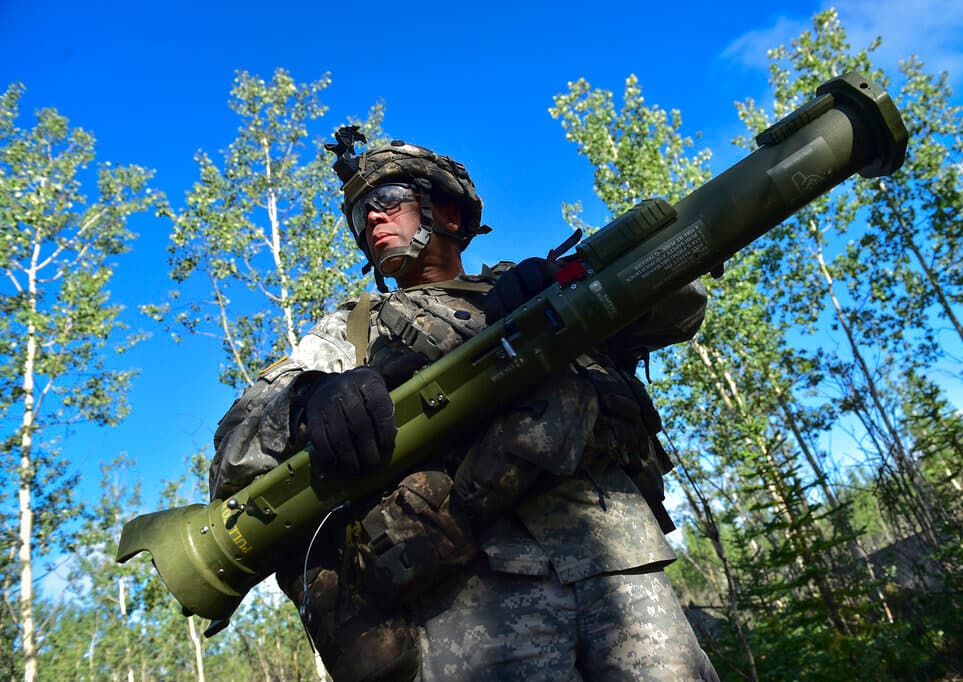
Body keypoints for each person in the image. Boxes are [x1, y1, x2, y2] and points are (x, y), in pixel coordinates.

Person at [208, 126, 720, 681]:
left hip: (624, 567)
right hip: (472, 603)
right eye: (360, 217)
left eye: (385, 201)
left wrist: (573, 287)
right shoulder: (351, 330)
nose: (371, 220)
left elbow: (682, 304)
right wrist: (308, 399)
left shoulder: (534, 285)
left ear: (446, 213)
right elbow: (234, 450)